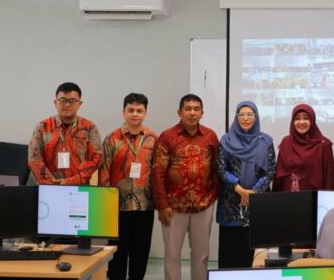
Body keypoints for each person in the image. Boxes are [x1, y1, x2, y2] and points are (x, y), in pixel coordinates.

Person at [151, 94, 219, 280]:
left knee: (201, 256)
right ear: (179, 112)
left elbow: (217, 168)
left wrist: (212, 196)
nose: (192, 113)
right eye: (188, 109)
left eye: (196, 109)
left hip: (203, 205)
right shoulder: (167, 136)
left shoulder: (210, 136)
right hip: (173, 207)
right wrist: (162, 204)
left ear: (202, 113)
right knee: (172, 256)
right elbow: (158, 173)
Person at [99, 93, 157, 280]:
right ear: (123, 112)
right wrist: (105, 204)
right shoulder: (111, 139)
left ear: (145, 113)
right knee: (117, 252)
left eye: (139, 111)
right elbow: (104, 172)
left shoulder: (153, 138)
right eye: (131, 110)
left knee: (141, 252)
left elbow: (157, 171)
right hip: (117, 205)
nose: (135, 114)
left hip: (145, 204)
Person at [217, 101, 275, 268]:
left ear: (256, 117)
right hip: (231, 204)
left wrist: (252, 193)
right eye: (241, 114)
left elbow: (270, 171)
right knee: (231, 253)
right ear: (236, 117)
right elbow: (221, 169)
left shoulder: (266, 141)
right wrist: (240, 190)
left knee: (256, 255)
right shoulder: (226, 140)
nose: (246, 118)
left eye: (250, 114)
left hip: (258, 204)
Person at [29, 82, 103, 185]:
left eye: (72, 100)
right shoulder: (42, 127)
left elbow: (96, 158)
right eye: (63, 100)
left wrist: (73, 180)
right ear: (55, 103)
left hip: (79, 186)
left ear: (79, 103)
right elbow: (34, 157)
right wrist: (51, 182)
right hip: (49, 187)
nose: (67, 104)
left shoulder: (89, 127)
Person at [272, 104, 334, 191]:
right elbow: (278, 177)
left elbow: (329, 179)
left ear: (312, 120)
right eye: (297, 118)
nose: (301, 122)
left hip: (312, 197)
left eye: (306, 118)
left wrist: (327, 198)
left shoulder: (323, 145)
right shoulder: (286, 142)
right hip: (286, 196)